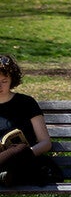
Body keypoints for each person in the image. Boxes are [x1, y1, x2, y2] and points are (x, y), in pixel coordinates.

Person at [0, 54, 55, 187]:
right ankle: (4, 176)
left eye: (4, 81)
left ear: (12, 80)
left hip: (24, 158)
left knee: (20, 150)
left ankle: (7, 174)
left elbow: (45, 143)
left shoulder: (26, 103)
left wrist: (27, 153)